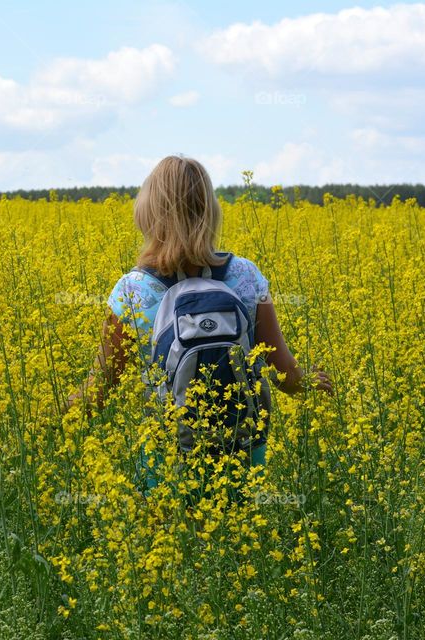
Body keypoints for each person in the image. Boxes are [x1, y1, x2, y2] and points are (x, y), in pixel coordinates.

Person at [64, 155, 333, 488]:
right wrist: (316, 384)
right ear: (210, 211)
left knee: (171, 536)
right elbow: (285, 376)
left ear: (148, 213)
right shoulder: (245, 276)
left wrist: (48, 419)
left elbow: (99, 393)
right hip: (243, 448)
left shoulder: (132, 291)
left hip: (168, 454)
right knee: (241, 534)